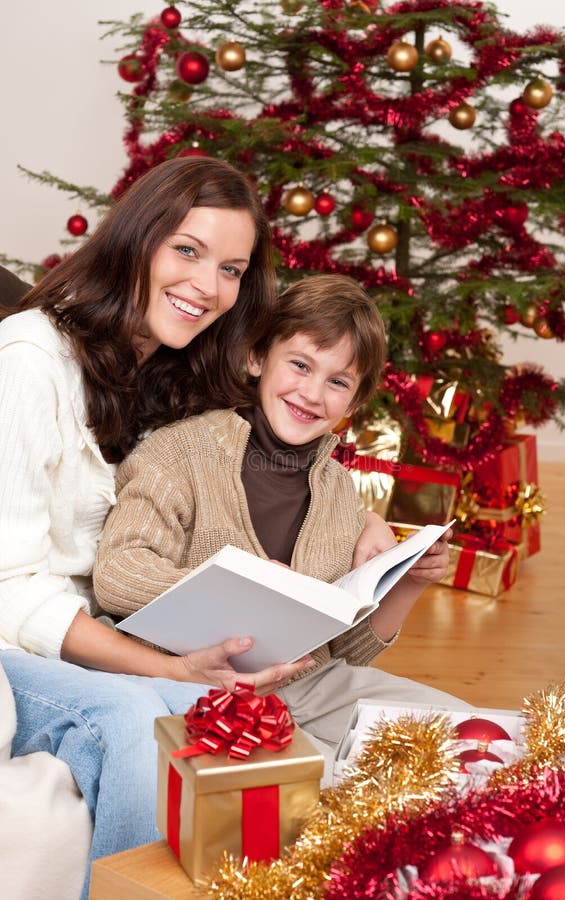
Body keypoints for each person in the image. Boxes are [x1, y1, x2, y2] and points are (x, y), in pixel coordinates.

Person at [0, 159, 394, 899]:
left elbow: (273, 442)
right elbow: (12, 591)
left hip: (105, 632)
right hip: (19, 639)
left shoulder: (168, 364)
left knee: (244, 731)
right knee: (130, 723)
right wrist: (167, 670)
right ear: (137, 241)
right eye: (187, 250)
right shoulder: (29, 360)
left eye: (231, 268)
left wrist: (364, 514)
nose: (207, 286)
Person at [94, 273, 470, 783]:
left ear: (354, 403)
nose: (312, 393)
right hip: (199, 685)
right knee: (335, 781)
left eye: (337, 382)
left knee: (464, 732)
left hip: (312, 685)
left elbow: (344, 651)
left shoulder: (338, 492)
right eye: (299, 365)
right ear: (256, 359)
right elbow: (118, 573)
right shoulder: (181, 453)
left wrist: (409, 585)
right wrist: (243, 582)